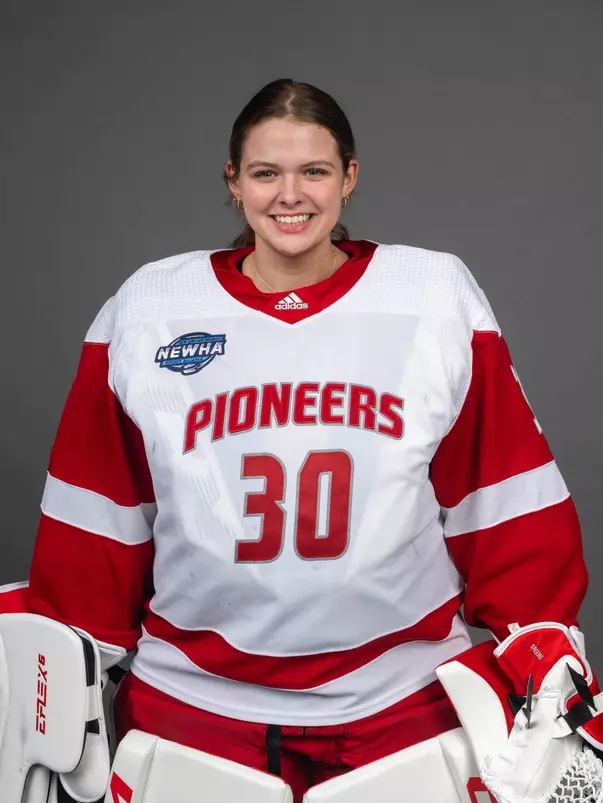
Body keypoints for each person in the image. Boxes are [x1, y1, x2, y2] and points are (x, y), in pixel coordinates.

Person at [20, 78, 591, 802]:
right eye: (265, 173)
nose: (290, 195)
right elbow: (100, 513)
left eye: (314, 171)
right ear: (233, 182)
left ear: (348, 177)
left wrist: (541, 654)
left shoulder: (433, 295)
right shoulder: (149, 308)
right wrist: (58, 669)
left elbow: (500, 491)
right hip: (192, 710)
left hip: (401, 709)